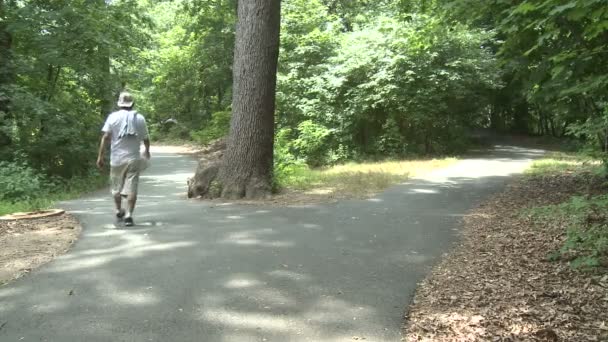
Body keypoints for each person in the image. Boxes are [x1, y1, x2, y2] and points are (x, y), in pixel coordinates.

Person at [96, 92, 151, 226]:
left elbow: (105, 137)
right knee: (132, 188)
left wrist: (100, 156)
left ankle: (118, 209)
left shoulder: (112, 117)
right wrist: (147, 151)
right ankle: (128, 215)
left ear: (119, 103)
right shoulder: (140, 118)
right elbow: (146, 139)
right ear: (132, 103)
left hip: (116, 159)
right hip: (133, 158)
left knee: (116, 187)